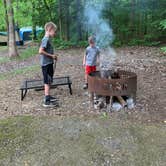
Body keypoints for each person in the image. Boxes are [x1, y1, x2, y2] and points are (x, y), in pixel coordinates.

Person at [39, 22, 58, 107]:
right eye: (54, 31)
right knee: (47, 81)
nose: (55, 33)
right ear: (49, 30)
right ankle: (46, 101)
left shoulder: (48, 38)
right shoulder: (45, 39)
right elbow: (40, 51)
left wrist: (53, 57)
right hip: (46, 64)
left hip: (49, 63)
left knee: (49, 80)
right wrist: (52, 56)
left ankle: (48, 96)